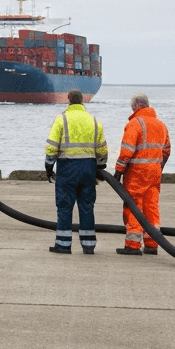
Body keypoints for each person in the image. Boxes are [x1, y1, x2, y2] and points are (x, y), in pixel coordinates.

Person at [44, 89, 109, 255]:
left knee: (65, 206)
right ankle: (88, 245)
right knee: (87, 205)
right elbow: (102, 148)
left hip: (67, 168)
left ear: (68, 100)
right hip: (88, 168)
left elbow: (52, 146)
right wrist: (100, 167)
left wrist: (49, 166)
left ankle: (63, 245)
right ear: (82, 100)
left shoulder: (61, 119)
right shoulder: (94, 120)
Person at [114, 93, 171, 255]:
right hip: (154, 172)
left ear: (136, 106)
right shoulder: (161, 125)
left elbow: (127, 151)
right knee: (151, 207)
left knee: (134, 206)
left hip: (137, 173)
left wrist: (118, 170)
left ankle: (132, 245)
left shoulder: (135, 124)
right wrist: (158, 167)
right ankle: (152, 244)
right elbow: (166, 151)